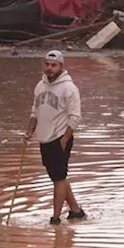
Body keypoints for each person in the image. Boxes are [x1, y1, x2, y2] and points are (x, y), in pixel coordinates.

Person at [25, 50, 86, 225]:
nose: (49, 68)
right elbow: (34, 112)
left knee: (58, 179)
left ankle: (55, 218)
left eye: (53, 65)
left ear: (61, 66)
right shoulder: (40, 86)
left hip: (60, 138)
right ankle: (76, 211)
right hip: (44, 138)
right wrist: (29, 132)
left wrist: (65, 139)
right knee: (58, 177)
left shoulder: (69, 88)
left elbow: (75, 117)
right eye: (47, 64)